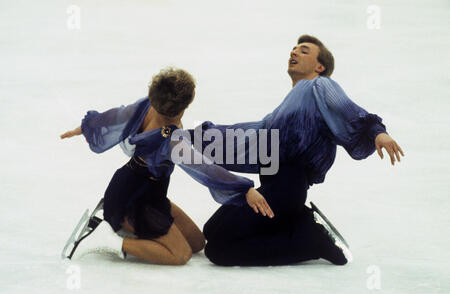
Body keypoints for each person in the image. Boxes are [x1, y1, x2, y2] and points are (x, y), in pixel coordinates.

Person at [194, 35, 404, 266]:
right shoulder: (284, 110)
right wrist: (197, 138)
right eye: (293, 50)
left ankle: (311, 241)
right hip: (273, 188)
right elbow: (250, 134)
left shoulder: (320, 85)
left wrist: (377, 131)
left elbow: (349, 110)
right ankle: (300, 221)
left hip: (287, 188)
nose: (294, 53)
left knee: (219, 250)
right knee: (211, 230)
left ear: (319, 66)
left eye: (303, 51)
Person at [60, 67, 273, 265]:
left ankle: (124, 231)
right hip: (132, 201)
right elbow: (204, 168)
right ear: (188, 102)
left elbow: (117, 115)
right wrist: (244, 188)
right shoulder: (172, 140)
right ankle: (108, 239)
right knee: (180, 255)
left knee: (197, 243)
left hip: (149, 193)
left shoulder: (147, 106)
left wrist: (87, 128)